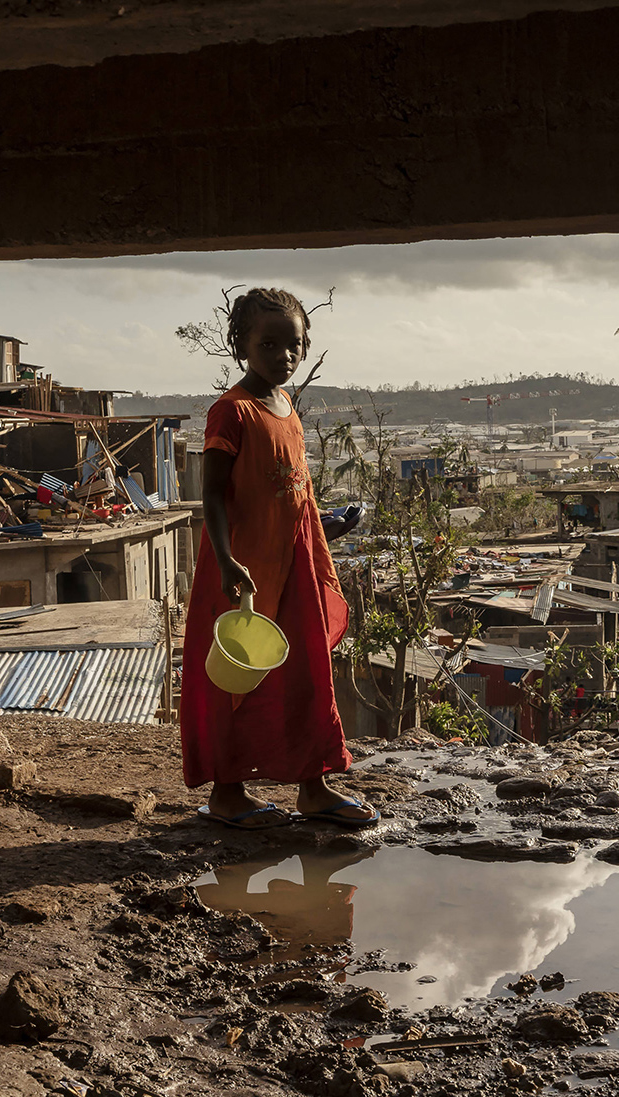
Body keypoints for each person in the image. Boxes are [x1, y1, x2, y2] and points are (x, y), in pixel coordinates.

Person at [180, 287, 378, 830]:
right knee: (236, 683)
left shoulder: (286, 405)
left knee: (306, 674)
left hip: (292, 566)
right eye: (269, 344)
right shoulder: (231, 412)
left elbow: (294, 492)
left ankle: (313, 787)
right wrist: (224, 560)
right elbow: (213, 497)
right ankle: (227, 793)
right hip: (243, 573)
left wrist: (324, 531)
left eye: (294, 346)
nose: (283, 357)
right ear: (241, 344)